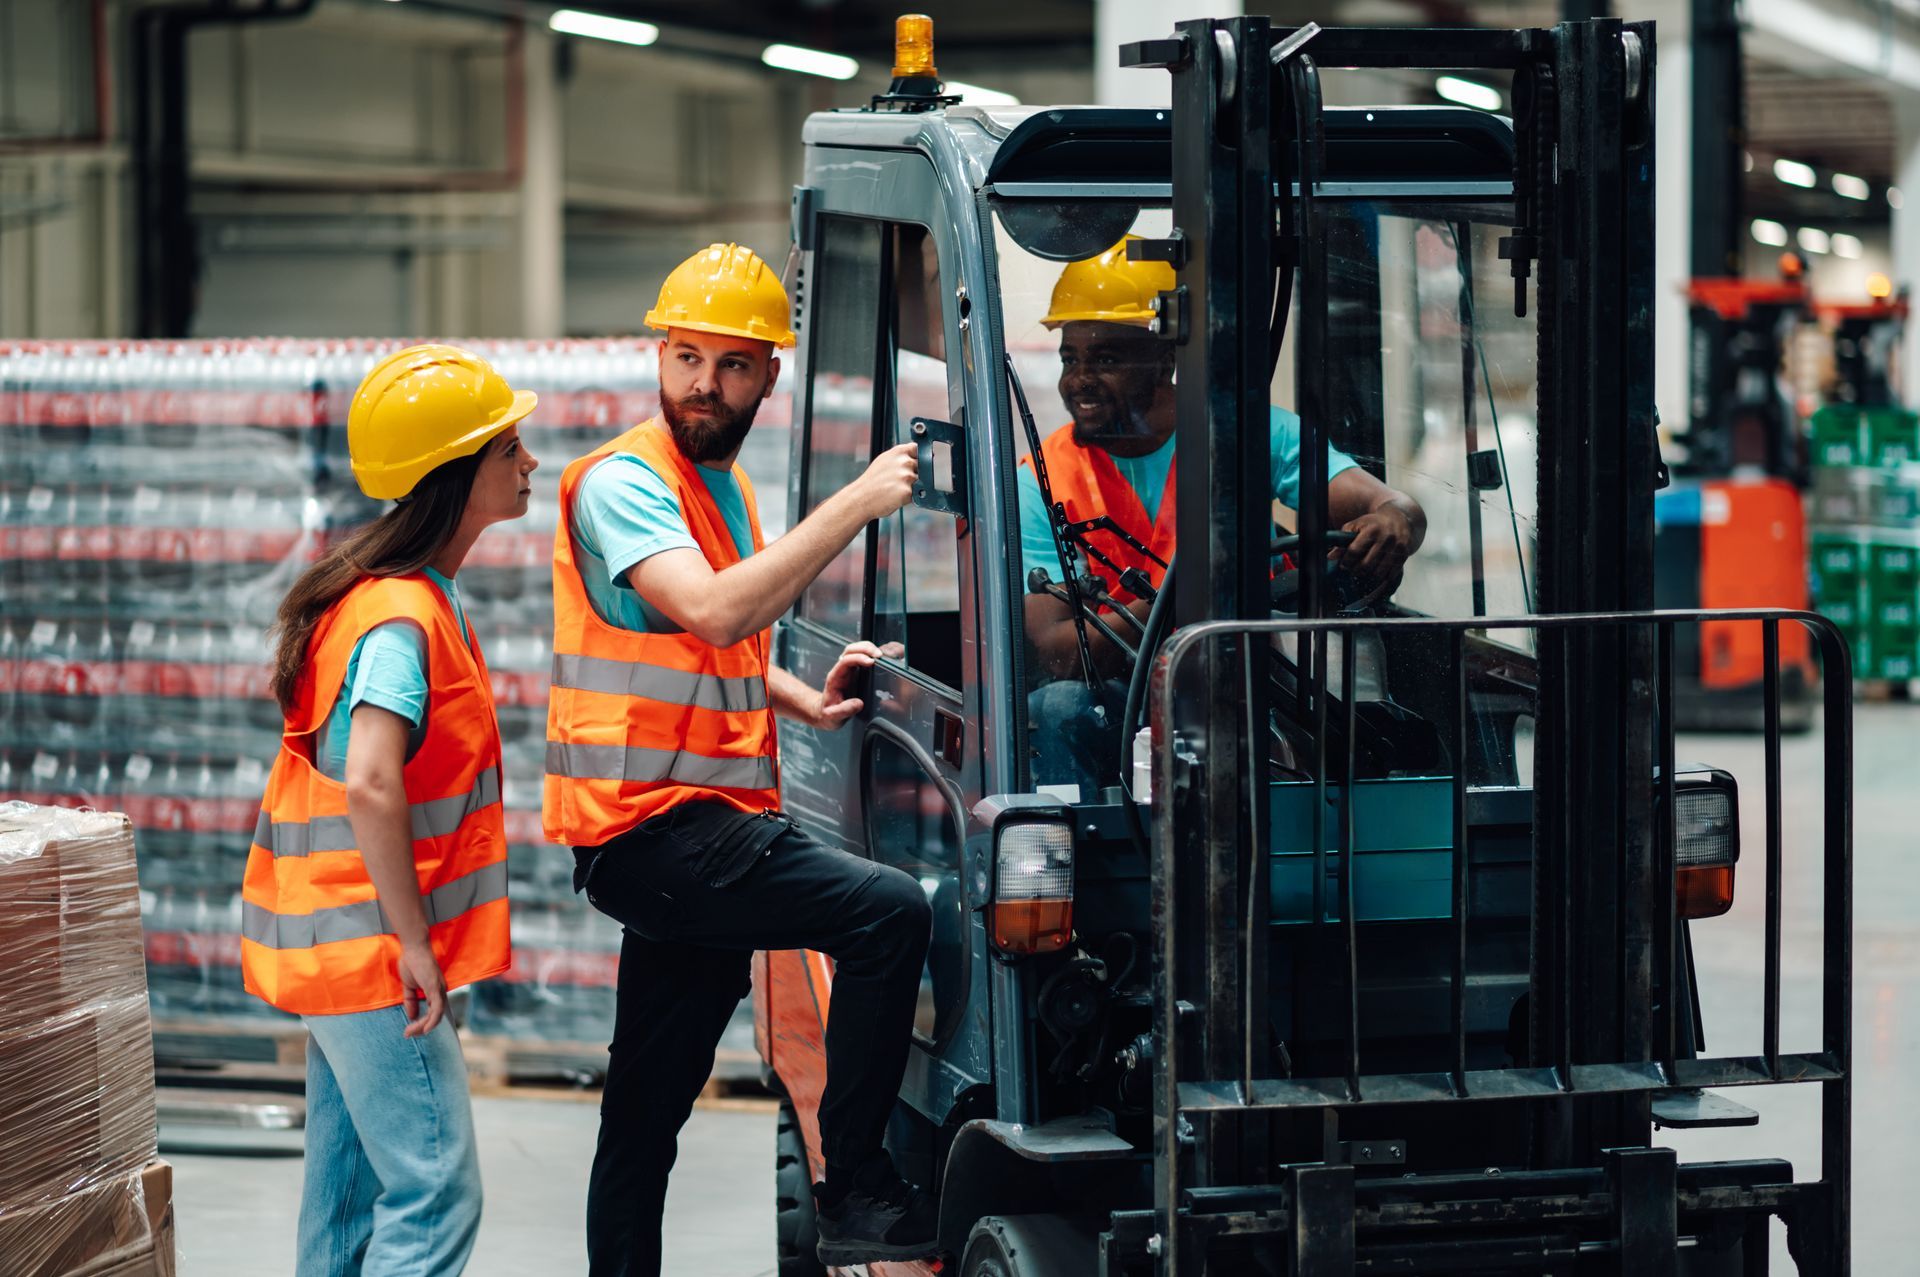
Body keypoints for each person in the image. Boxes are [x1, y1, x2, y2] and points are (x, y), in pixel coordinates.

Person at [543, 243, 936, 1273]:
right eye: (684, 357)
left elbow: (693, 640)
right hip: (655, 827)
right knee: (889, 912)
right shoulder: (626, 481)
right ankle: (855, 1184)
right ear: (658, 357)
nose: (702, 385)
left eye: (729, 364)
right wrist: (856, 501)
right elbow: (717, 608)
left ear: (770, 374)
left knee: (643, 1114)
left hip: (688, 829)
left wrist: (798, 695)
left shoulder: (714, 490)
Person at [242, 344, 540, 1275]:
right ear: (453, 478)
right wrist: (414, 943)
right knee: (435, 1188)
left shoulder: (386, 597)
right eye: (508, 449)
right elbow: (371, 779)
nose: (528, 463)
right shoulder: (399, 618)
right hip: (372, 953)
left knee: (346, 1199)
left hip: (330, 941)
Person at [1020, 235, 1428, 789]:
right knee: (1057, 706)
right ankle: (1081, 859)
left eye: (1107, 357)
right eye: (1071, 358)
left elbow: (1385, 505)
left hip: (1259, 677)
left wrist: (1395, 519)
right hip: (1126, 693)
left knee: (1367, 720)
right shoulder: (1042, 478)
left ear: (1167, 356)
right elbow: (1058, 653)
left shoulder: (1245, 431)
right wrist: (1177, 602)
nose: (1078, 379)